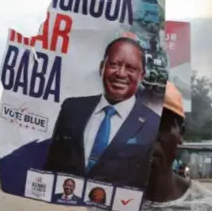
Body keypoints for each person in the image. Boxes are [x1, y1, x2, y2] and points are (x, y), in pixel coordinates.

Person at [42, 37, 160, 188]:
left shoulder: (153, 125)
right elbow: (53, 164)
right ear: (101, 67)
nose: (121, 74)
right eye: (114, 64)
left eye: (131, 68)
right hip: (66, 208)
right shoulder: (71, 108)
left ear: (141, 76)